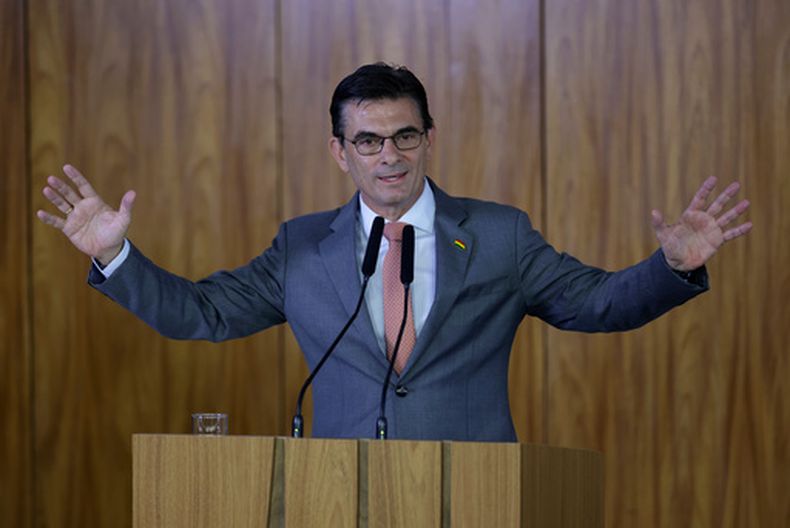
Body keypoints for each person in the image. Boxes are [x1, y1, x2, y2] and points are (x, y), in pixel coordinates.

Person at [37, 63, 752, 441]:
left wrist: (673, 267)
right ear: (339, 152)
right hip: (339, 498)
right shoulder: (302, 248)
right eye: (369, 141)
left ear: (428, 139)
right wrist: (119, 257)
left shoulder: (499, 234)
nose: (390, 156)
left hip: (477, 498)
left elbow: (594, 303)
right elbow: (201, 314)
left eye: (405, 136)